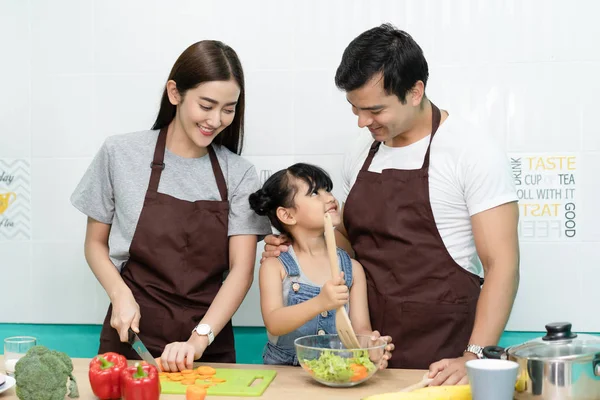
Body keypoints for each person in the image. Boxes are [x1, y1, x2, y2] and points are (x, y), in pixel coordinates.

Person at [262, 24, 520, 385]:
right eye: (355, 109)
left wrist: (472, 356)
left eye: (374, 110)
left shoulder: (472, 152)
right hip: (365, 352)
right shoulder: (360, 151)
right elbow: (349, 245)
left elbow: (502, 265)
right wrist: (298, 245)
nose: (362, 121)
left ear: (415, 92)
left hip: (443, 353)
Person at [71, 40, 272, 372]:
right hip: (130, 334)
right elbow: (95, 245)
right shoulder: (120, 154)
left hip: (208, 343)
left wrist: (199, 339)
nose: (216, 119)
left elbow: (241, 272)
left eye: (228, 108)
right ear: (175, 93)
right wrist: (120, 296)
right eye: (206, 105)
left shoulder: (239, 174)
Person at [248, 163, 394, 368]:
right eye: (315, 192)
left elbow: (361, 329)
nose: (329, 197)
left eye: (328, 189)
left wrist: (372, 346)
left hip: (337, 372)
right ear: (287, 215)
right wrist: (320, 302)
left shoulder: (353, 269)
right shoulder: (275, 266)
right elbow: (274, 322)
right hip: (284, 375)